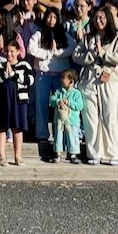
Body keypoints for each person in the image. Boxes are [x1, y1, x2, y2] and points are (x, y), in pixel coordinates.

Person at [73, 6, 118, 165]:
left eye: (102, 18)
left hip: (109, 79)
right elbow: (76, 55)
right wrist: (92, 54)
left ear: (108, 19)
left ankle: (113, 153)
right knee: (91, 118)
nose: (99, 21)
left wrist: (104, 53)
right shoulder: (87, 37)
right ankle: (94, 153)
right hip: (89, 80)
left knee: (110, 116)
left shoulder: (117, 37)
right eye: (96, 18)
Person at [27, 8, 76, 144]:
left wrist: (57, 52)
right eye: (49, 17)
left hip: (60, 74)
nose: (51, 20)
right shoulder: (39, 33)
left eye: (54, 17)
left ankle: (60, 135)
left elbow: (73, 48)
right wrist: (48, 53)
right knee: (41, 104)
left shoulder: (63, 34)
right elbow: (30, 49)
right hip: (42, 74)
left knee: (60, 105)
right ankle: (42, 134)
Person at [0, 41, 34, 166]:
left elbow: (29, 80)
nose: (9, 54)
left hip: (19, 100)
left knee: (18, 128)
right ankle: (2, 156)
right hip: (3, 101)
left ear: (17, 52)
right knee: (2, 127)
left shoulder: (24, 65)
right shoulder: (0, 65)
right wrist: (5, 73)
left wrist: (14, 75)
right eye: (7, 51)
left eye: (12, 51)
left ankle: (18, 156)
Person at [50, 69, 84, 164]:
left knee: (72, 137)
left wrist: (68, 102)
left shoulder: (76, 93)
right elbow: (52, 100)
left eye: (63, 78)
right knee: (58, 137)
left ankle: (73, 154)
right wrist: (57, 101)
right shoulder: (58, 91)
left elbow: (79, 106)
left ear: (71, 81)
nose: (61, 80)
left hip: (72, 121)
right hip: (60, 121)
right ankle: (58, 154)